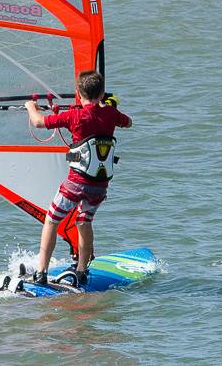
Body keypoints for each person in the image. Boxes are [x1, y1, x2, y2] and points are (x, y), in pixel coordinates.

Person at [24, 70, 132, 286]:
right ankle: (82, 270)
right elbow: (128, 122)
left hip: (75, 185)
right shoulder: (111, 114)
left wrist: (30, 107)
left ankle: (41, 272)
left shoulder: (74, 116)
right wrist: (109, 106)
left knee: (51, 220)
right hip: (99, 187)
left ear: (78, 93)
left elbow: (38, 122)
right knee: (84, 221)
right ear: (102, 93)